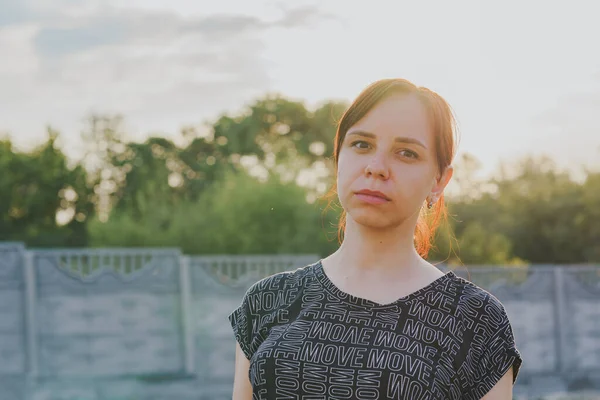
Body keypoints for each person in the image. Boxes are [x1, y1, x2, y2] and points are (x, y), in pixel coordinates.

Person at [228, 78, 523, 399]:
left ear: (439, 181)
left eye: (406, 153)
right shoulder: (268, 301)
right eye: (361, 145)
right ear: (338, 158)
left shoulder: (475, 320)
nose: (376, 167)